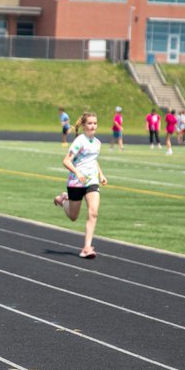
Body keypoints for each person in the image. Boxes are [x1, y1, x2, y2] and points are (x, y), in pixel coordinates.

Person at [53, 111, 108, 259]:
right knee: (73, 216)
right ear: (84, 125)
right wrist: (77, 173)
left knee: (93, 212)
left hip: (91, 181)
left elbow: (93, 160)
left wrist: (101, 174)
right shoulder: (79, 141)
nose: (93, 126)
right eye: (90, 123)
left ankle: (86, 247)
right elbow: (66, 161)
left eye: (95, 123)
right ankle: (64, 199)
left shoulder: (97, 143)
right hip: (76, 182)